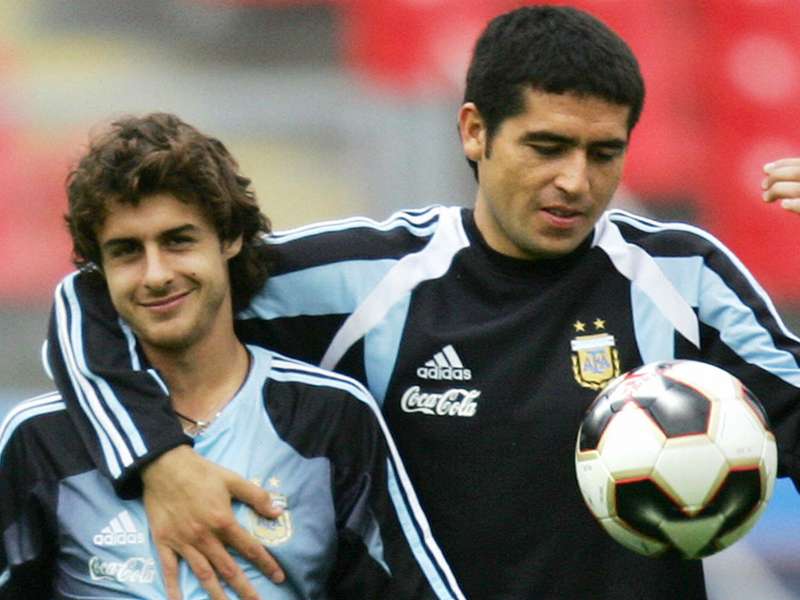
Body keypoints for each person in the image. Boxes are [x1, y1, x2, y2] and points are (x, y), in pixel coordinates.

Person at [41, 6, 800, 600]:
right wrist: (159, 460)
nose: (576, 180)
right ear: (475, 131)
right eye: (546, 147)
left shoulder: (684, 278)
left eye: (604, 154)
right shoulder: (369, 279)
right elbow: (99, 296)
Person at [0, 113, 457, 600]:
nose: (156, 274)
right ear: (100, 269)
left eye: (179, 241)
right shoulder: (41, 440)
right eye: (127, 251)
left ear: (230, 239)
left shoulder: (329, 417)